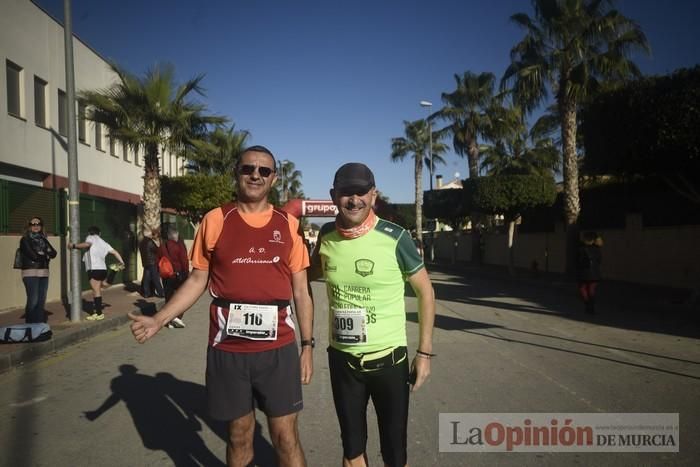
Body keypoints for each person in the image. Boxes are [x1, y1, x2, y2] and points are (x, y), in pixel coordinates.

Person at [128, 145, 314, 467]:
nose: (255, 175)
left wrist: (308, 346)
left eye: (264, 170)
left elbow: (301, 290)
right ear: (236, 173)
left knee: (286, 437)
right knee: (240, 435)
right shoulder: (216, 219)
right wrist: (160, 318)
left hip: (278, 349)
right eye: (248, 168)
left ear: (274, 179)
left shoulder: (287, 224)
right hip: (228, 349)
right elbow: (198, 280)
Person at [309, 162, 436, 467]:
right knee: (352, 450)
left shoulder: (396, 237)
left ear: (373, 194)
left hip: (389, 362)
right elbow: (305, 275)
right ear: (333, 195)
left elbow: (426, 292)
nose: (354, 200)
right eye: (345, 193)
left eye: (361, 192)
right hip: (343, 362)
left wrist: (424, 353)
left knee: (394, 453)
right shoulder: (326, 235)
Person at [68, 226, 125, 321]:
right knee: (104, 285)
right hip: (102, 269)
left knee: (96, 291)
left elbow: (87, 244)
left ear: (90, 232)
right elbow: (115, 252)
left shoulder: (91, 237)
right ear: (100, 233)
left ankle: (99, 314)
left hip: (93, 268)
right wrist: (122, 262)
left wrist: (74, 246)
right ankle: (113, 272)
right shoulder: (103, 242)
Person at [18, 217, 57, 323]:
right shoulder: (25, 239)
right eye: (33, 225)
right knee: (33, 300)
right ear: (29, 226)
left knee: (41, 300)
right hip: (30, 272)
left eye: (38, 225)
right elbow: (33, 256)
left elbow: (54, 253)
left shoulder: (43, 239)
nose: (36, 227)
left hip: (44, 272)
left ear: (41, 227)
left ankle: (39, 324)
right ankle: (30, 324)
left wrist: (43, 254)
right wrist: (46, 254)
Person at [159, 225, 189, 328]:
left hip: (166, 275)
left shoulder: (162, 246)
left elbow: (158, 261)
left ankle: (168, 321)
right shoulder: (179, 246)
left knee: (169, 298)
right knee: (181, 297)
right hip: (179, 275)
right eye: (176, 234)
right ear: (174, 234)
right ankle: (176, 317)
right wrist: (186, 273)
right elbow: (184, 261)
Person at [577, 231, 603, 314]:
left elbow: (578, 261)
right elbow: (599, 261)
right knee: (591, 290)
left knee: (582, 288)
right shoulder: (598, 248)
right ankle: (591, 306)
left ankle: (588, 305)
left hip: (585, 272)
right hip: (595, 273)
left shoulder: (581, 248)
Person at [139, 228, 164, 298]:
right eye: (151, 233)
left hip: (145, 262)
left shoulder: (141, 242)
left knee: (146, 278)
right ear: (148, 234)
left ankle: (146, 293)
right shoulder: (149, 242)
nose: (152, 234)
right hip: (152, 262)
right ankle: (161, 293)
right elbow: (156, 249)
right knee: (155, 278)